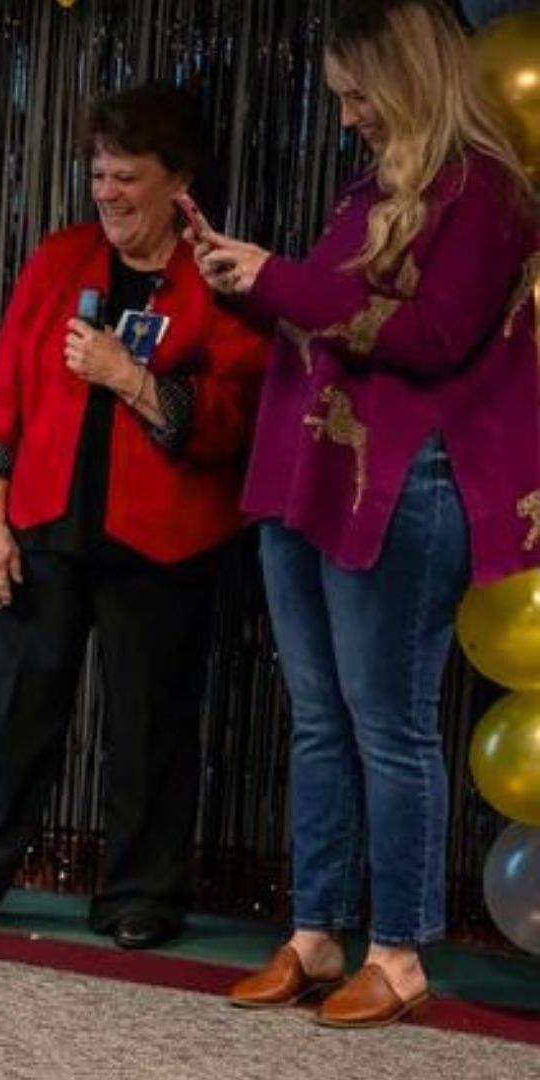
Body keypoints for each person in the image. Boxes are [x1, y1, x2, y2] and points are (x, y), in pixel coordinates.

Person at [197, 0, 540, 1028]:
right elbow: (325, 311)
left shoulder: (488, 194)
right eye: (341, 99)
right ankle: (315, 933)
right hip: (311, 471)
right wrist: (248, 281)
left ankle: (398, 953)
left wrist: (282, 280)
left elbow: (432, 338)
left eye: (359, 96)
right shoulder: (374, 186)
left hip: (405, 484)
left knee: (387, 726)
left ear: (409, 79)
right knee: (317, 718)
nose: (347, 116)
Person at [0, 83, 267, 950]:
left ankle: (142, 893)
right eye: (99, 172)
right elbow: (2, 402)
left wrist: (130, 378)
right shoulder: (58, 259)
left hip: (164, 541)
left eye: (127, 176)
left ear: (179, 184)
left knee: (150, 728)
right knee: (9, 715)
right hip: (46, 529)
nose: (106, 191)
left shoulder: (217, 278)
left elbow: (230, 423)